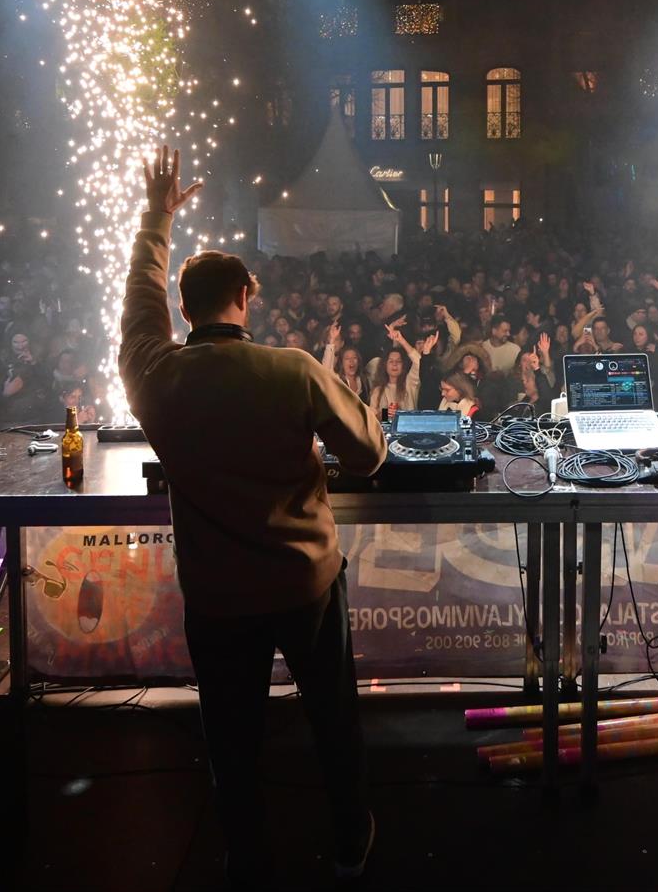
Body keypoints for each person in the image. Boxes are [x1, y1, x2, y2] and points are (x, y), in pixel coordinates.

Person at [118, 146, 384, 885]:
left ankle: (246, 858)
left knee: (231, 737)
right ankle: (350, 840)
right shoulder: (293, 367)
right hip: (304, 583)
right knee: (332, 718)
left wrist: (156, 217)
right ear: (247, 292)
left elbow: (137, 302)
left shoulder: (154, 375)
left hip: (217, 594)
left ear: (185, 308)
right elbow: (367, 454)